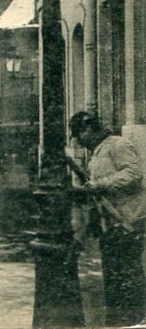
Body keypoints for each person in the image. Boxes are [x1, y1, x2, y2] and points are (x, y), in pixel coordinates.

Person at [69, 111, 146, 327]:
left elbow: (133, 174)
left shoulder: (118, 145)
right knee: (114, 271)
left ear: (88, 130)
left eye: (80, 135)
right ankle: (120, 317)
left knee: (128, 270)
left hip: (128, 219)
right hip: (111, 222)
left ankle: (134, 317)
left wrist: (101, 184)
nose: (80, 141)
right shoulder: (98, 152)